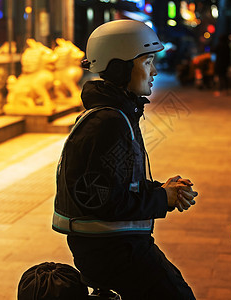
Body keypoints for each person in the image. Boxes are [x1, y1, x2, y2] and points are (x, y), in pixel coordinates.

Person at [52, 19, 198, 299]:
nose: (154, 71)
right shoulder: (108, 122)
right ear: (120, 67)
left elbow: (115, 184)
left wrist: (160, 190)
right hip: (112, 252)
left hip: (116, 246)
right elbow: (104, 201)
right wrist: (161, 199)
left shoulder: (117, 114)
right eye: (147, 62)